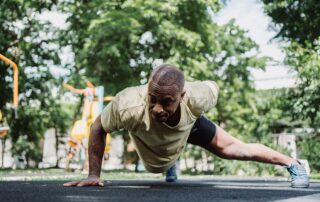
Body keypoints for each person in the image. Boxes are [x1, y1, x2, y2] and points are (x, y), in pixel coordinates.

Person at [63, 64, 309, 188]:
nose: (158, 108)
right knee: (155, 167)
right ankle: (172, 161)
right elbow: (97, 127)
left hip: (189, 124)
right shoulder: (128, 105)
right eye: (152, 99)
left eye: (166, 102)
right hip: (149, 137)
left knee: (233, 148)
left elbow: (213, 86)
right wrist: (94, 174)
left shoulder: (196, 97)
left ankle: (294, 164)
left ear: (181, 96)